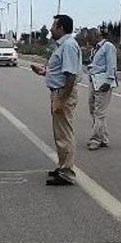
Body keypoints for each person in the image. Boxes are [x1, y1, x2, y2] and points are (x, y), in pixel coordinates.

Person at [31, 14, 81, 186]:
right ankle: (63, 167)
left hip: (62, 93)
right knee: (60, 133)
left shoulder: (68, 46)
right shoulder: (63, 45)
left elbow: (70, 75)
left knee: (64, 133)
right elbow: (60, 70)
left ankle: (67, 172)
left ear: (61, 28)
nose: (51, 28)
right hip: (58, 91)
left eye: (54, 25)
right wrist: (44, 72)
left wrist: (61, 99)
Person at [87, 25, 118, 151]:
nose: (88, 40)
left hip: (102, 83)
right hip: (93, 81)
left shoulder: (108, 47)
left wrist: (109, 81)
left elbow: (112, 65)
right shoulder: (95, 49)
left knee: (99, 112)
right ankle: (104, 138)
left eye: (90, 37)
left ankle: (96, 139)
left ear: (97, 35)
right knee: (93, 109)